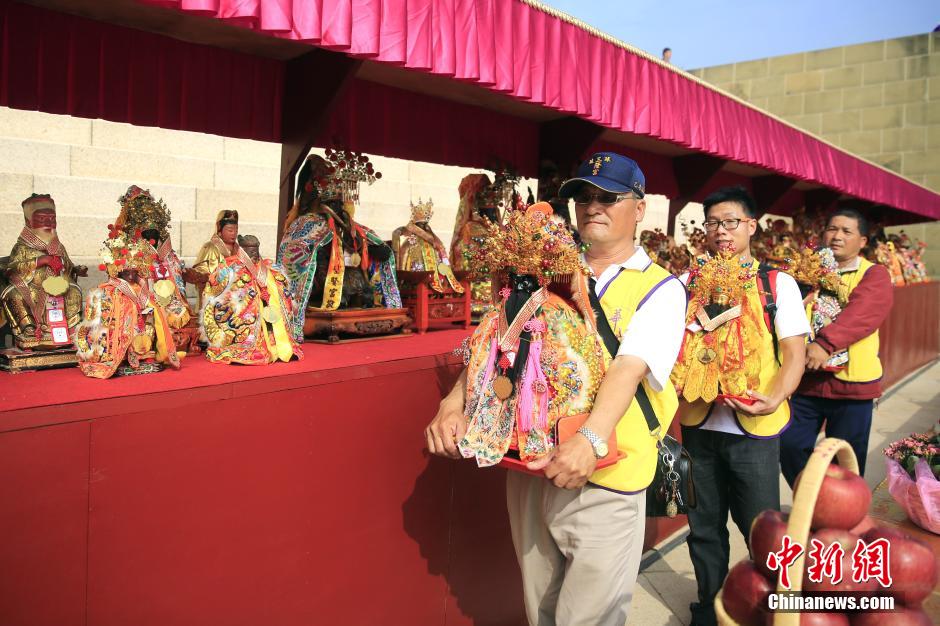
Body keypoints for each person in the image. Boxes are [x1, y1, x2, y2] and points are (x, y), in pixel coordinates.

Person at [427, 152, 687, 626]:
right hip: (530, 468)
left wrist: (590, 440)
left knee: (588, 618)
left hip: (606, 472)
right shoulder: (542, 272)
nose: (593, 207)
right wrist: (454, 400)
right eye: (583, 197)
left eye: (608, 197)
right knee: (540, 609)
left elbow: (628, 368)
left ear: (640, 208)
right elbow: (496, 341)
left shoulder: (660, 289)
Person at [671, 186, 808, 626]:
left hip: (756, 427)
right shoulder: (685, 284)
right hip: (699, 424)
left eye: (731, 222)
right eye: (713, 223)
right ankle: (710, 605)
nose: (721, 231)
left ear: (751, 225)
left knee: (762, 531)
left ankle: (767, 608)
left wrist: (778, 394)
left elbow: (795, 353)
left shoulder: (775, 283)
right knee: (703, 528)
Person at [780, 208, 894, 485]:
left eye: (847, 231)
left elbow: (862, 315)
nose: (837, 236)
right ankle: (815, 502)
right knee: (790, 447)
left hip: (852, 387)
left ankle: (842, 517)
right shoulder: (807, 272)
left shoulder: (874, 274)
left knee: (845, 462)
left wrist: (825, 344)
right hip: (807, 381)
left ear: (863, 241)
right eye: (832, 229)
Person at [278, 152, 401, 340]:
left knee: (358, 281)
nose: (339, 206)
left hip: (344, 273)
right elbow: (297, 256)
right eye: (333, 203)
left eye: (339, 202)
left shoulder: (349, 225)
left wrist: (360, 241)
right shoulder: (304, 225)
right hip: (320, 279)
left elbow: (379, 251)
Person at [198, 210, 303, 365]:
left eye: (235, 230)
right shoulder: (219, 256)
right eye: (229, 230)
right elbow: (211, 283)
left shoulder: (266, 266)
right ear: (220, 230)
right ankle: (245, 344)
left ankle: (275, 343)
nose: (233, 234)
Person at [75, 226, 181, 378]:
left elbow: (151, 305)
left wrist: (150, 311)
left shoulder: (141, 286)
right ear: (119, 271)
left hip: (142, 326)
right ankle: (122, 355)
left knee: (153, 321)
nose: (131, 276)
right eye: (127, 272)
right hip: (119, 328)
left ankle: (145, 354)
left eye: (134, 272)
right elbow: (104, 314)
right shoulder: (110, 289)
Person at [1, 194, 86, 350]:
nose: (48, 222)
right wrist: (40, 261)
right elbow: (11, 268)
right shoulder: (22, 247)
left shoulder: (58, 246)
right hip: (31, 286)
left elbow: (67, 263)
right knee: (14, 295)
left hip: (57, 286)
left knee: (74, 291)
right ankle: (28, 327)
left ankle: (71, 327)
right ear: (29, 222)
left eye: (52, 218)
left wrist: (75, 269)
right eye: (42, 219)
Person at [114, 185, 195, 349]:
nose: (152, 235)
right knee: (144, 322)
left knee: (179, 315)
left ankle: (172, 338)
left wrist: (175, 269)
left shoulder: (167, 252)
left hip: (169, 298)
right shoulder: (128, 249)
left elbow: (176, 274)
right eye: (147, 231)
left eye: (155, 231)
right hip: (144, 299)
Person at [391, 198, 463, 293]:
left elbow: (444, 260)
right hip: (417, 284)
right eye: (421, 224)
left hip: (438, 281)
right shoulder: (409, 243)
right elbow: (402, 265)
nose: (424, 226)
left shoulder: (435, 241)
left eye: (425, 224)